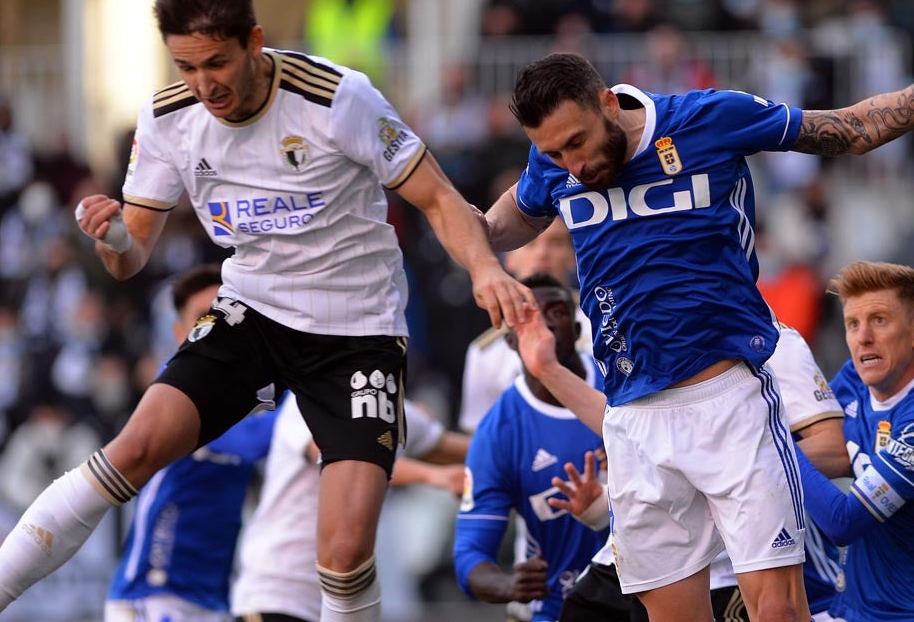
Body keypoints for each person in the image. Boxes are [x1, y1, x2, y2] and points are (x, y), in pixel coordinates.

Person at [0, 0, 532, 622]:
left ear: (254, 43)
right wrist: (115, 237)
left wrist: (486, 270)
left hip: (357, 333)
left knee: (344, 554)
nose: (204, 84)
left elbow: (438, 198)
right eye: (186, 67)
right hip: (253, 311)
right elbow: (129, 256)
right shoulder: (169, 120)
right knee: (131, 451)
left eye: (216, 63)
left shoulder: (336, 98)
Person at [481, 0, 914, 622]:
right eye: (554, 153)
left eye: (578, 143)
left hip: (729, 399)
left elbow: (849, 130)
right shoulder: (551, 162)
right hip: (633, 417)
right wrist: (437, 224)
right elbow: (497, 227)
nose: (572, 165)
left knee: (775, 612)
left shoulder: (708, 119)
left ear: (607, 100)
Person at [516, 322, 848, 622]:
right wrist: (547, 370)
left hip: (738, 571)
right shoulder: (633, 336)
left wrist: (724, 468)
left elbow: (834, 451)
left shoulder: (773, 339)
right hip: (656, 562)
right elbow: (653, 441)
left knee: (777, 610)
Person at [794, 261, 914, 620]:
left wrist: (772, 443)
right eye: (853, 324)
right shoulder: (856, 377)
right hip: (854, 611)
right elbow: (823, 447)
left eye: (879, 320)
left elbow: (843, 523)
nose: (863, 337)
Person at [106, 265, 279, 622]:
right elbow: (250, 442)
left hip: (215, 598)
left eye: (226, 315)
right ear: (179, 332)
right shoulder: (169, 393)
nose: (218, 330)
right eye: (204, 318)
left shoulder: (255, 398)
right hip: (154, 594)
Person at [230, 392, 468, 622]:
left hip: (343, 601)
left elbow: (467, 450)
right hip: (279, 593)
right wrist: (434, 476)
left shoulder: (393, 408)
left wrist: (500, 431)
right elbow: (344, 464)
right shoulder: (308, 397)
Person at [454, 273, 607, 622]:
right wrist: (508, 584)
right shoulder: (498, 433)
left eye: (558, 312)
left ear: (579, 330)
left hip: (650, 599)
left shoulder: (623, 389)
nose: (547, 323)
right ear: (509, 339)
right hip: (559, 608)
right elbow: (470, 554)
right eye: (530, 314)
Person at [458, 216, 590, 434]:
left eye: (555, 243)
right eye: (529, 244)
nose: (542, 254)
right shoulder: (486, 352)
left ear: (573, 257)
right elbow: (481, 435)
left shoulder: (604, 326)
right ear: (508, 258)